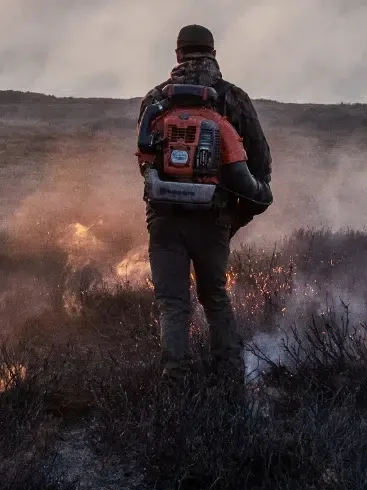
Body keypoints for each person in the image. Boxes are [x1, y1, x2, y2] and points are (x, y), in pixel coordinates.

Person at [139, 24, 273, 383]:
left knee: (172, 304)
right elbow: (260, 165)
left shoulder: (155, 99)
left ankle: (175, 382)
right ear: (213, 54)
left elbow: (145, 162)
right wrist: (236, 216)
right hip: (215, 218)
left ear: (178, 54)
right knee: (214, 297)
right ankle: (229, 379)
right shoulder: (233, 98)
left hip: (164, 219)